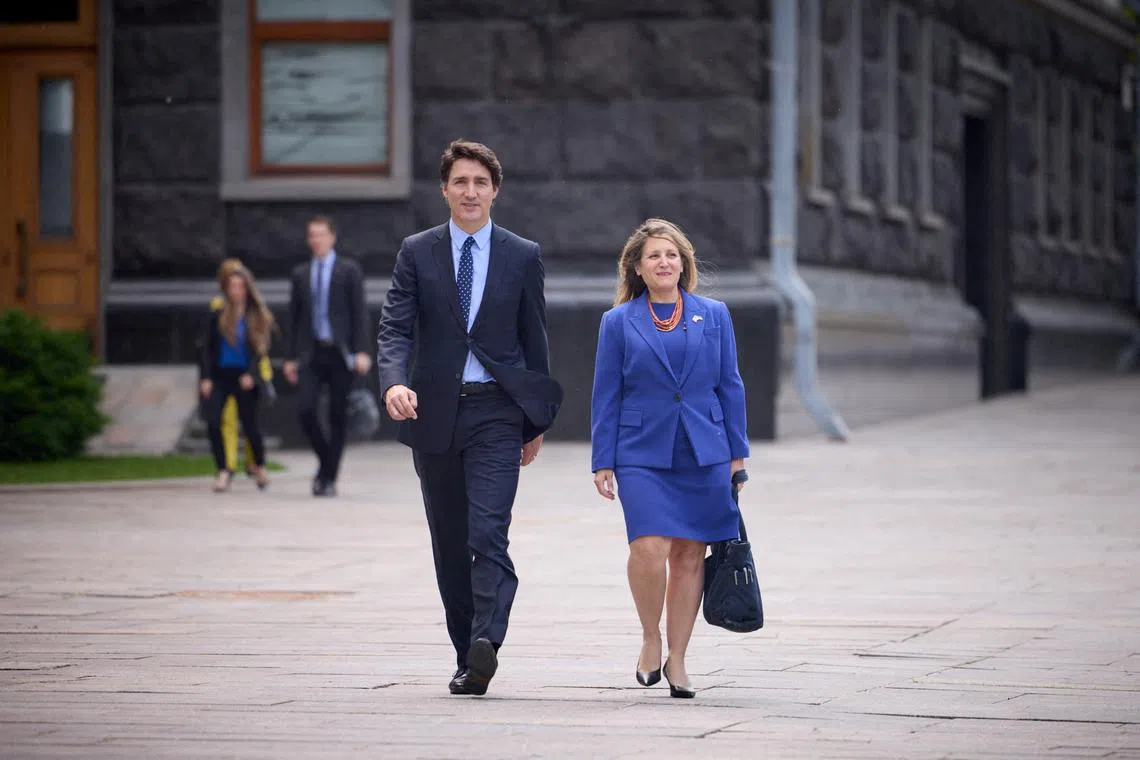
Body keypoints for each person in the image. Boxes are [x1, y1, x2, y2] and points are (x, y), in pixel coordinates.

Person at [377, 139, 562, 697]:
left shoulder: (521, 254)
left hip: (497, 414)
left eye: (480, 182)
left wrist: (535, 422)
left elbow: (536, 343)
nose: (470, 192)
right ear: (445, 189)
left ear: (495, 191)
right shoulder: (417, 251)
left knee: (488, 532)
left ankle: (489, 637)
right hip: (433, 414)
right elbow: (394, 328)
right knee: (450, 543)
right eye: (460, 181)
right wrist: (393, 382)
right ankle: (468, 656)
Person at [590, 218, 749, 699]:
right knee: (649, 547)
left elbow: (731, 386)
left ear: (685, 264)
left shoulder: (714, 314)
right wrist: (603, 459)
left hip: (704, 449)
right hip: (640, 451)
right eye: (654, 256)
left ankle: (678, 658)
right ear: (637, 268)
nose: (664, 262)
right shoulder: (618, 321)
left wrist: (737, 456)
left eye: (672, 255)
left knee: (688, 555)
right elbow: (606, 394)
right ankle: (650, 637)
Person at [283, 216, 372, 497]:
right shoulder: (300, 274)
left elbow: (359, 312)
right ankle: (326, 462)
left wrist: (362, 351)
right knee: (306, 409)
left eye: (321, 235)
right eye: (312, 235)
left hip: (340, 352)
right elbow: (293, 318)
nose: (316, 240)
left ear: (332, 237)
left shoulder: (348, 271)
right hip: (312, 352)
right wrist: (289, 357)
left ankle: (328, 478)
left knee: (337, 415)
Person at [199, 264, 276, 493]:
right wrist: (206, 377)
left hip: (244, 376)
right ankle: (223, 469)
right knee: (214, 422)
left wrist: (251, 375)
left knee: (251, 425)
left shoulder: (255, 315)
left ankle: (259, 465)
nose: (236, 291)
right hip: (221, 375)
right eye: (232, 286)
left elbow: (260, 349)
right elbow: (206, 348)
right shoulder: (218, 313)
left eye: (240, 287)